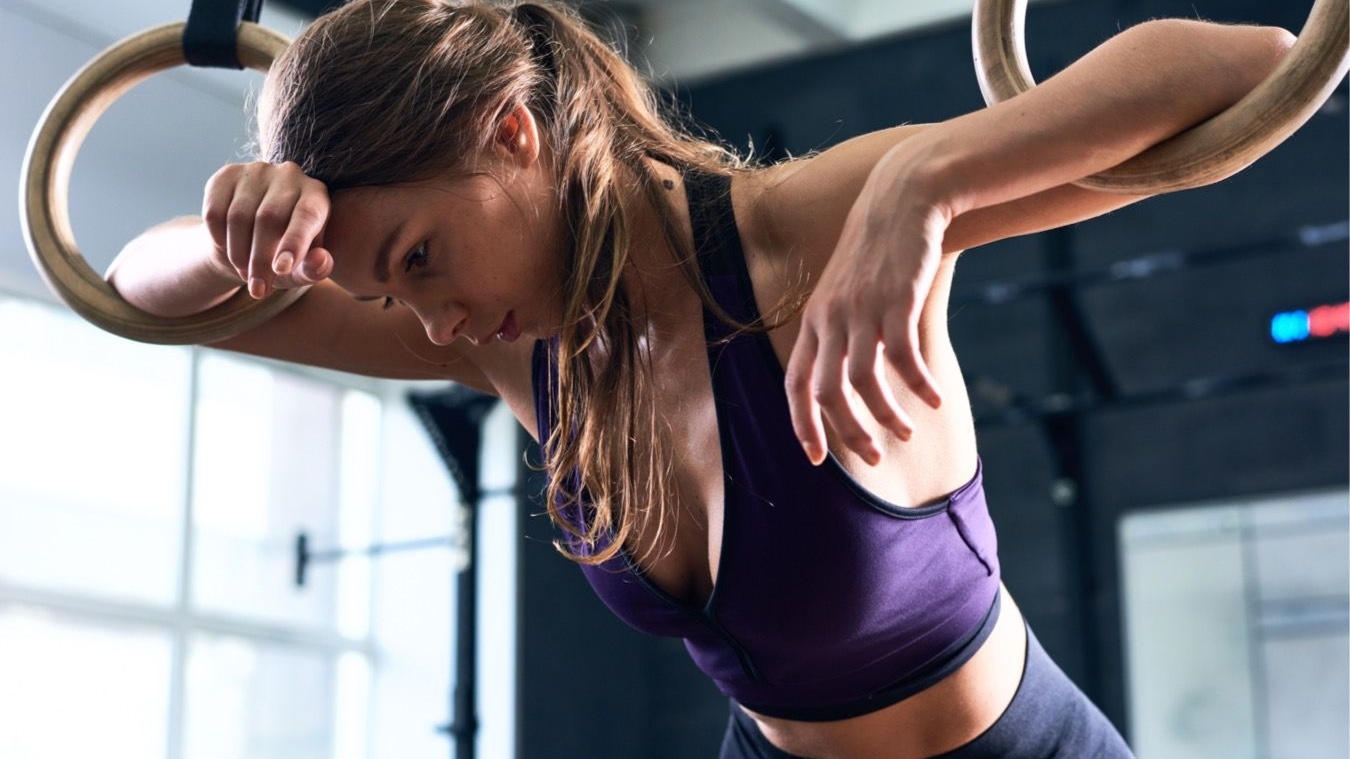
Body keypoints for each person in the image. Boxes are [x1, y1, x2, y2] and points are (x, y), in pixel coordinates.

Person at [107, 1, 1298, 756]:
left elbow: (1250, 66)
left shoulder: (797, 231)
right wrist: (234, 238)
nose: (432, 318)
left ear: (511, 134)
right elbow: (133, 291)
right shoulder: (502, 344)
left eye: (421, 258)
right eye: (391, 293)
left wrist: (920, 186)